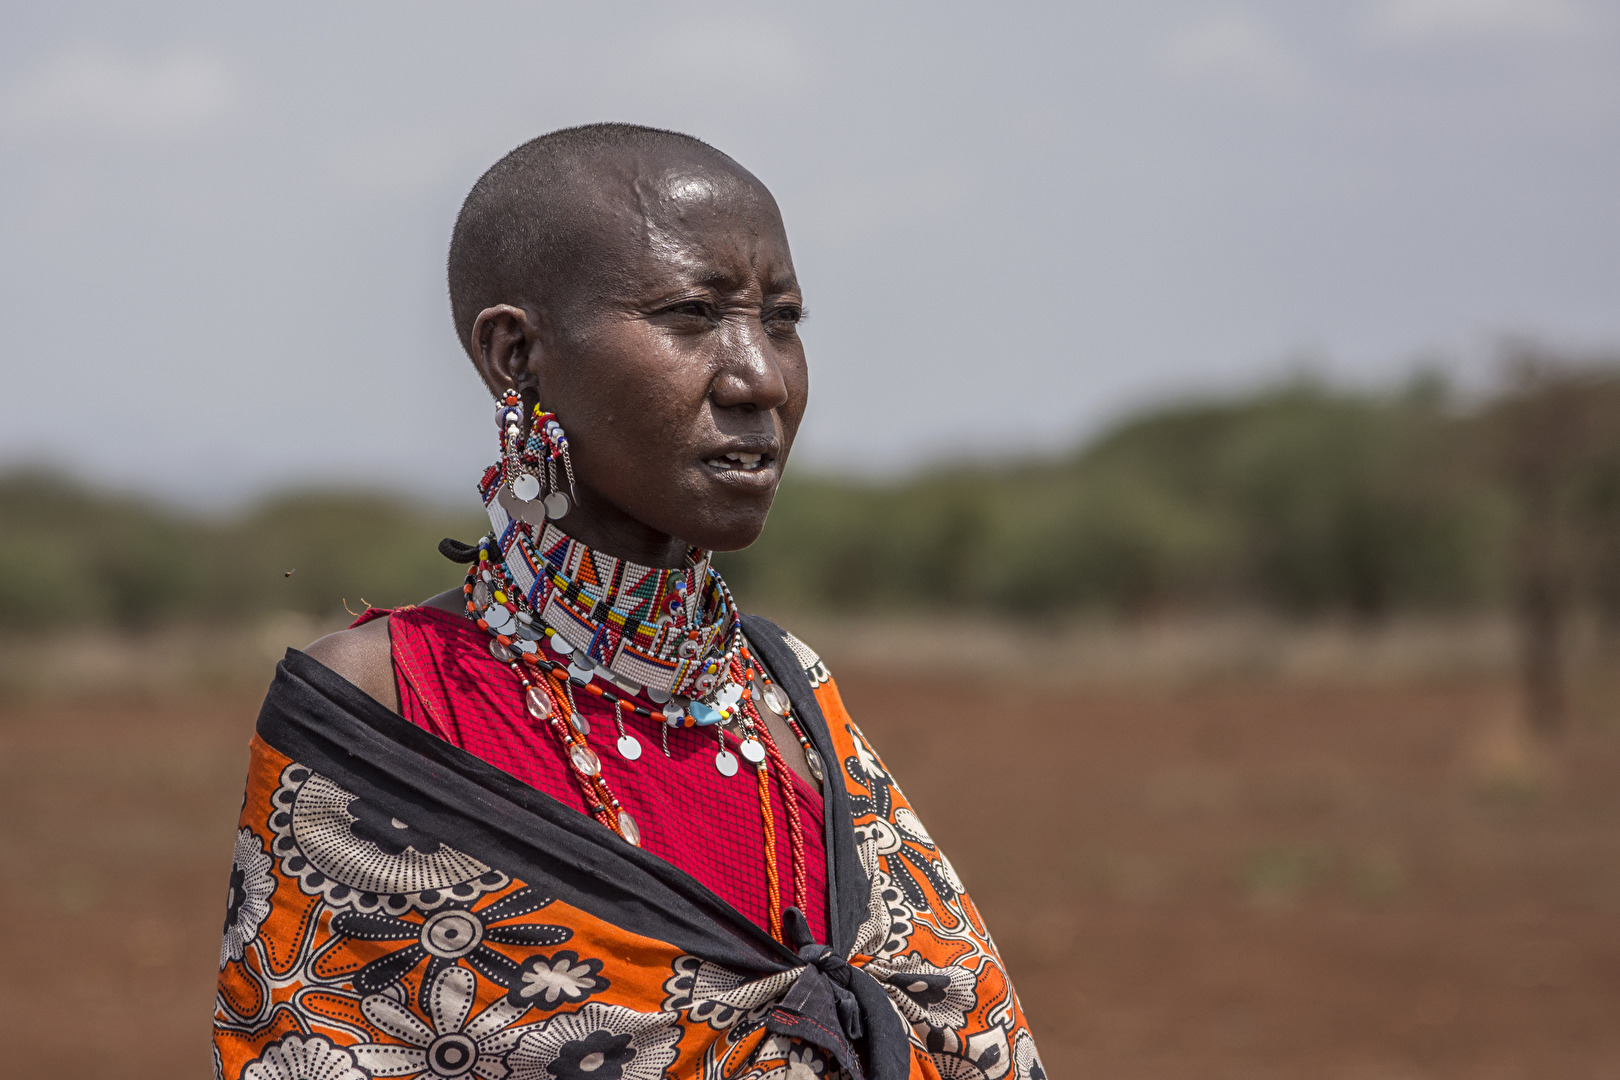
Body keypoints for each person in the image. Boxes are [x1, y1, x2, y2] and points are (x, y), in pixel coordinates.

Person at [212, 123, 1044, 1080]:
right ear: (516, 355)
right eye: (694, 314)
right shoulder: (390, 698)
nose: (760, 376)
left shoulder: (786, 689)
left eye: (781, 319)